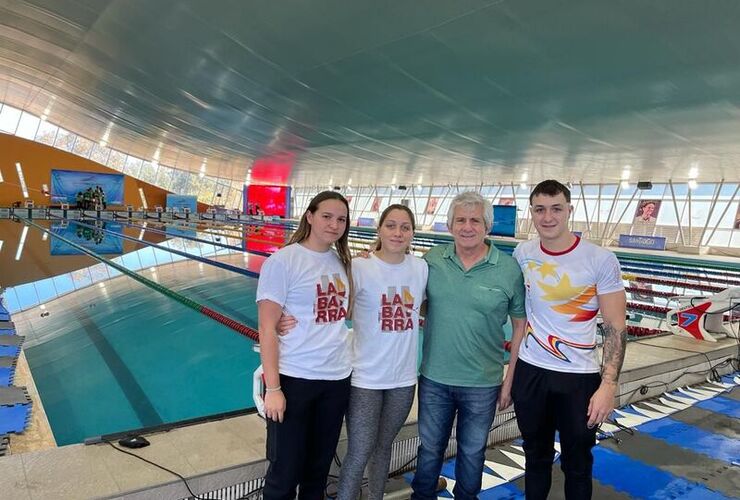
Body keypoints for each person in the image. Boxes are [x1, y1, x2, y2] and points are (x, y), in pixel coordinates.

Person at [278, 204, 428, 499]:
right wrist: (281, 318)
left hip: (403, 379)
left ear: (413, 233)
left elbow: (428, 306)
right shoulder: (359, 267)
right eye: (391, 225)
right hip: (364, 378)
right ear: (379, 230)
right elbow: (331, 306)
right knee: (359, 452)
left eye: (405, 227)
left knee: (384, 448)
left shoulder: (420, 268)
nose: (398, 233)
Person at [504, 180, 626, 500]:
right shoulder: (523, 252)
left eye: (556, 208)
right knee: (535, 458)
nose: (548, 217)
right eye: (540, 210)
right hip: (531, 372)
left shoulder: (599, 259)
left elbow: (615, 326)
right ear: (531, 213)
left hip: (579, 378)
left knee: (578, 464)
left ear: (569, 210)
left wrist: (608, 386)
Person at [412, 192, 527, 500]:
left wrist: (509, 380)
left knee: (473, 453)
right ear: (450, 225)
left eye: (475, 220)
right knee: (429, 450)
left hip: (484, 383)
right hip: (435, 378)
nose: (467, 227)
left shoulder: (508, 269)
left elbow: (520, 327)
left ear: (487, 226)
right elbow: (409, 300)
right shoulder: (433, 260)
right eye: (460, 220)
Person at [256, 190, 354, 500]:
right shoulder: (284, 261)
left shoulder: (343, 262)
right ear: (309, 216)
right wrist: (273, 389)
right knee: (284, 473)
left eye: (341, 219)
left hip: (337, 379)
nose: (334, 224)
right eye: (327, 216)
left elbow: (342, 314)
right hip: (295, 378)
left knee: (318, 471)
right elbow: (266, 328)